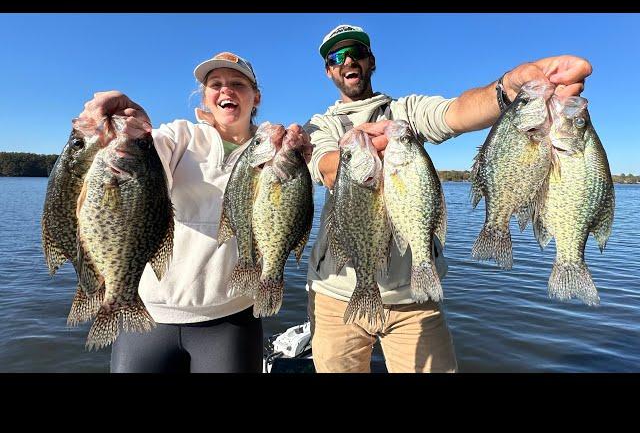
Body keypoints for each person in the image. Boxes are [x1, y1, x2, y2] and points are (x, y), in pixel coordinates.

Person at [303, 24, 592, 373]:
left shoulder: (406, 111)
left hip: (416, 296)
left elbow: (458, 113)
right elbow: (329, 170)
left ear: (371, 61)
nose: (349, 60)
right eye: (337, 56)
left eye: (357, 53)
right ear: (329, 70)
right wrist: (355, 149)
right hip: (336, 295)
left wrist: (507, 88)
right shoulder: (320, 125)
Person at [78, 51, 310, 373]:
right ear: (205, 96)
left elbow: (288, 208)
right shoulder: (180, 135)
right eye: (215, 84)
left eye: (237, 83)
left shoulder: (272, 147)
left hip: (232, 316)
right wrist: (137, 129)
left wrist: (297, 156)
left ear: (255, 97)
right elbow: (146, 163)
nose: (226, 90)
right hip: (149, 312)